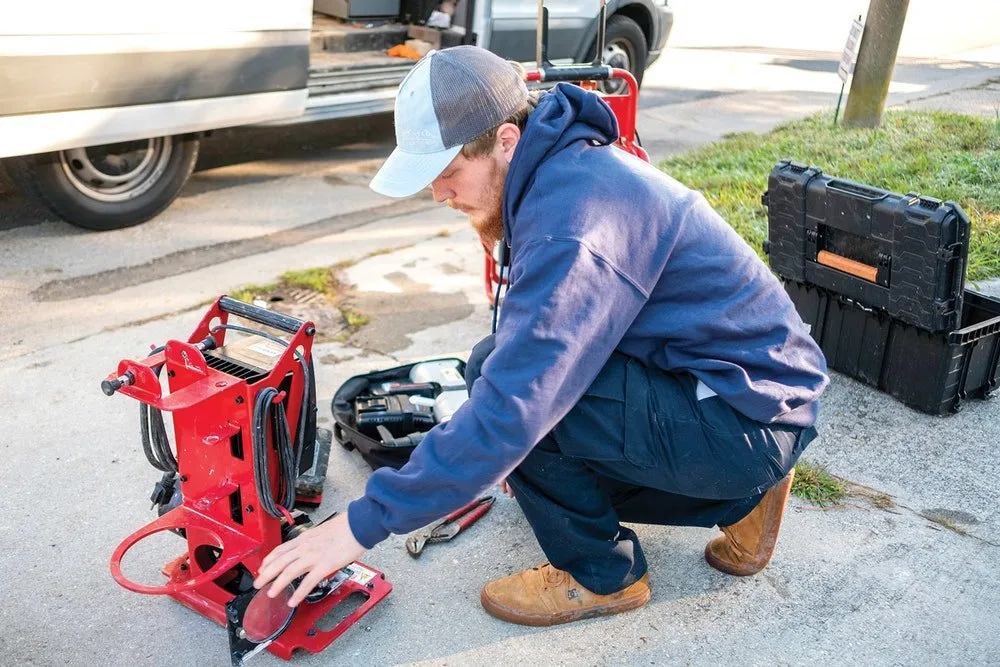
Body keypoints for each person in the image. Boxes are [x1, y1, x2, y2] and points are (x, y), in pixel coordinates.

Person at [254, 45, 829, 626]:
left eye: (448, 172)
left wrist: (359, 526)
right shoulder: (562, 170)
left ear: (506, 140)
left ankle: (603, 576)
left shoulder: (575, 223)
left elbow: (515, 406)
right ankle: (746, 501)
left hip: (745, 418)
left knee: (523, 416)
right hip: (746, 397)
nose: (438, 194)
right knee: (495, 375)